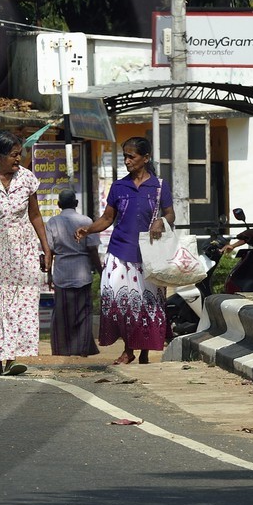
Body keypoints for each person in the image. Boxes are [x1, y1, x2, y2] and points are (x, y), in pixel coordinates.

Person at [74, 136, 173, 365]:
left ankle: (145, 351)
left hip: (148, 255)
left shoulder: (159, 186)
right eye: (125, 156)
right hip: (120, 252)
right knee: (121, 300)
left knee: (148, 302)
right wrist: (88, 229)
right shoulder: (119, 186)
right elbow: (108, 218)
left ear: (145, 158)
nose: (127, 161)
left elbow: (170, 214)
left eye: (132, 156)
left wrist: (161, 221)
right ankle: (129, 350)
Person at [0, 133, 45, 376]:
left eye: (19, 154)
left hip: (24, 248)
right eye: (14, 155)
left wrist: (46, 247)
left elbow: (35, 215)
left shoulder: (27, 179)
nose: (18, 159)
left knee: (21, 302)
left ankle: (12, 357)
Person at [45, 189, 101, 357]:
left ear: (59, 204)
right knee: (83, 312)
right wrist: (101, 271)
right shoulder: (86, 220)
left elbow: (49, 251)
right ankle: (82, 349)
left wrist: (49, 276)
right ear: (76, 204)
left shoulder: (52, 222)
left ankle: (61, 350)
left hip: (62, 272)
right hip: (82, 271)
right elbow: (92, 249)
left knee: (62, 314)